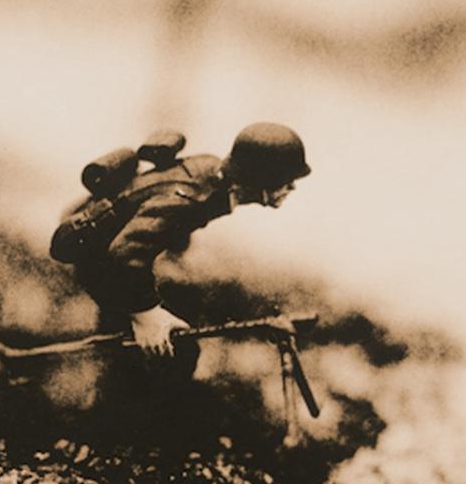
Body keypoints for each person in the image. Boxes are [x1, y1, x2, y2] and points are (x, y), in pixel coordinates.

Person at [50, 123, 310, 360]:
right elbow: (124, 253)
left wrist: (175, 248)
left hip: (115, 255)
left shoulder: (212, 170)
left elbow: (166, 216)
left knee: (177, 315)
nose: (292, 188)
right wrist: (146, 315)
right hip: (100, 262)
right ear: (259, 182)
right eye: (285, 182)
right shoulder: (191, 199)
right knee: (174, 353)